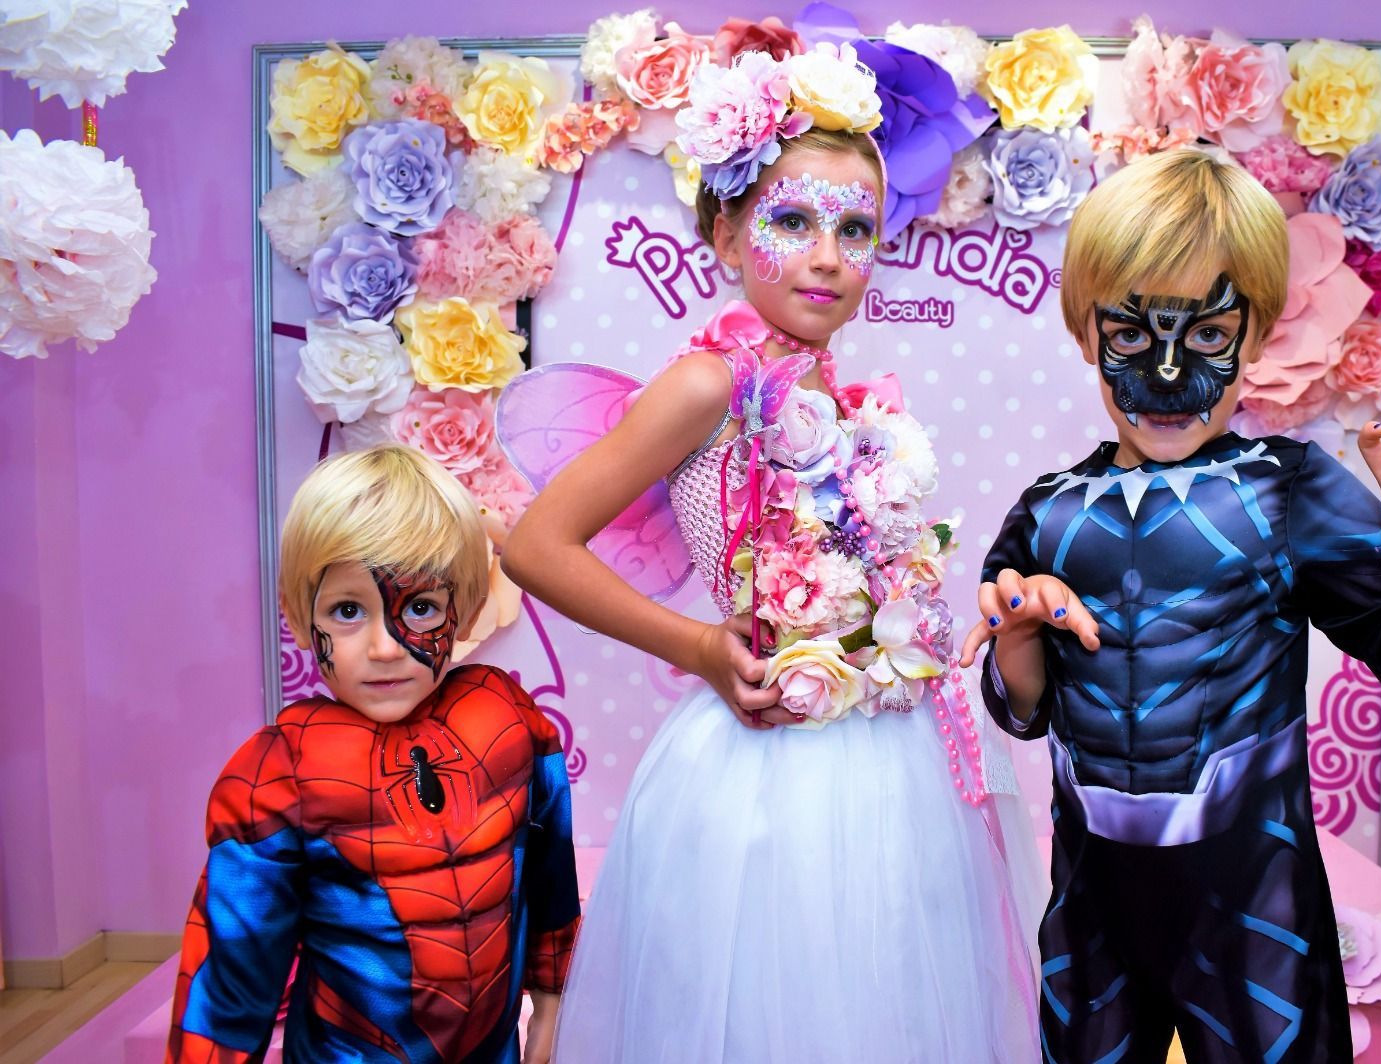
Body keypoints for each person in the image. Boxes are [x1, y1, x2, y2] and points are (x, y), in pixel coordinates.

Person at [501, 48, 1042, 1064]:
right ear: (724, 231)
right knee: (765, 1002)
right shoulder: (707, 384)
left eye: (854, 230)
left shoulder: (846, 395)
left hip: (889, 755)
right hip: (759, 756)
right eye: (792, 222)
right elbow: (536, 545)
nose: (826, 256)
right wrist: (700, 646)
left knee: (879, 992)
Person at [962, 148, 1381, 1064]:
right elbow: (1021, 712)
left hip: (1255, 903)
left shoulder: (1288, 491)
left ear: (1254, 337)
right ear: (1086, 331)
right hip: (1091, 906)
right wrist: (1019, 634)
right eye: (1132, 336)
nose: (1167, 376)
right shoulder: (1045, 512)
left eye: (1205, 338)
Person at [166, 445, 579, 1064]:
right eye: (348, 611)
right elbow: (232, 971)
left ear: (464, 611)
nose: (385, 648)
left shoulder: (510, 720)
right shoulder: (279, 773)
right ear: (301, 621)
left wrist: (550, 1004)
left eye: (419, 608)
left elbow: (551, 883)